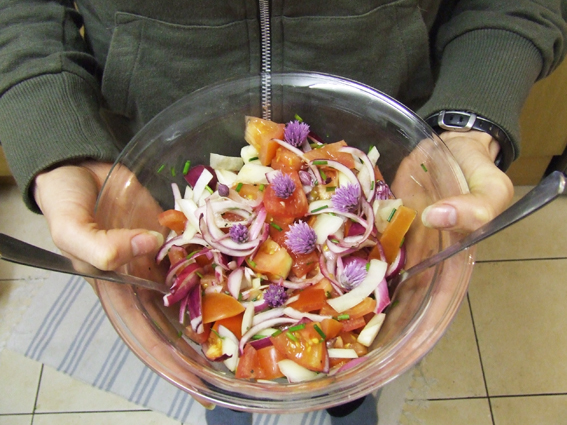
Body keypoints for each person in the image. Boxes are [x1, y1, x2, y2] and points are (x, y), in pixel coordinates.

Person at [1, 1, 566, 423]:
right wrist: (50, 130)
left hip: (396, 160)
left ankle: (348, 398)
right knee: (209, 360)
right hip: (162, 168)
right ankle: (233, 395)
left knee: (367, 337)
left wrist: (471, 113)